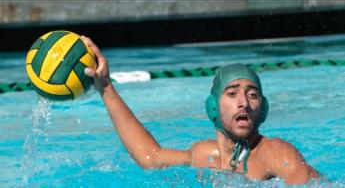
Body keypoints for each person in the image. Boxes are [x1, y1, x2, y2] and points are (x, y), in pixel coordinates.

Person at [81, 36, 319, 185]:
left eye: (253, 94)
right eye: (232, 93)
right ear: (213, 107)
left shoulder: (275, 153)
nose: (244, 102)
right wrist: (106, 87)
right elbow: (150, 157)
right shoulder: (204, 155)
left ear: (263, 109)